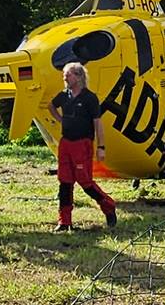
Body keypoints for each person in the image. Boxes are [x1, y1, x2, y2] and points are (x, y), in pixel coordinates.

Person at [50, 61, 117, 231]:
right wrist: (60, 119)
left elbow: (98, 123)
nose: (65, 78)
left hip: (83, 143)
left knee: (84, 181)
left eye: (68, 74)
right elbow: (51, 106)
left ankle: (108, 206)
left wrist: (101, 147)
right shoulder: (63, 95)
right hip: (66, 143)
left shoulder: (90, 98)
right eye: (64, 74)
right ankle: (64, 222)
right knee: (64, 182)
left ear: (79, 77)